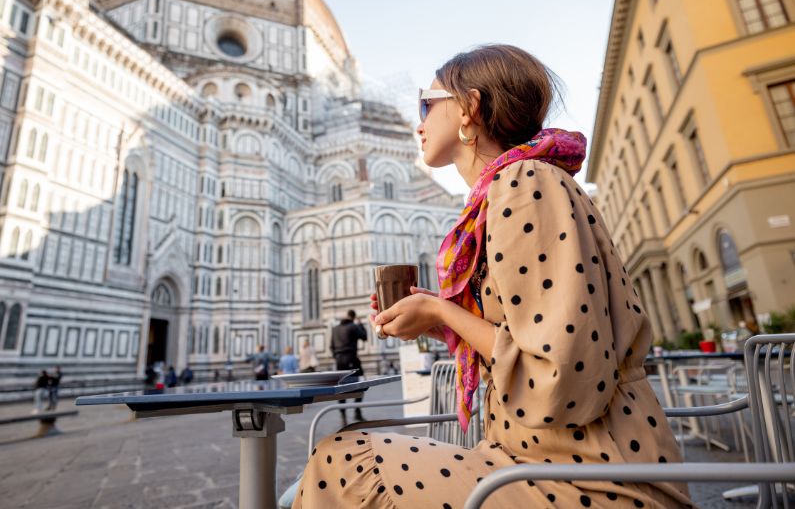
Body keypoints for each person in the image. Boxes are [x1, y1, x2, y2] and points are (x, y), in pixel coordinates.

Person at [295, 45, 693, 508]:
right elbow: (528, 336)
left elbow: (563, 381)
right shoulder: (506, 194)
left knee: (344, 461)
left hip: (594, 478)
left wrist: (442, 309)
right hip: (534, 462)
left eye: (428, 102)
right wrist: (438, 319)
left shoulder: (526, 184)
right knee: (344, 454)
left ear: (470, 107)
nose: (418, 121)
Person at [330, 309, 368, 424]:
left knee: (341, 388)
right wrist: (360, 324)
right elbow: (364, 337)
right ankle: (357, 411)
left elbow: (331, 346)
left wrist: (337, 357)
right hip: (351, 358)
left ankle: (343, 416)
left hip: (339, 361)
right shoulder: (353, 326)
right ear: (353, 317)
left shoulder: (335, 329)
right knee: (361, 383)